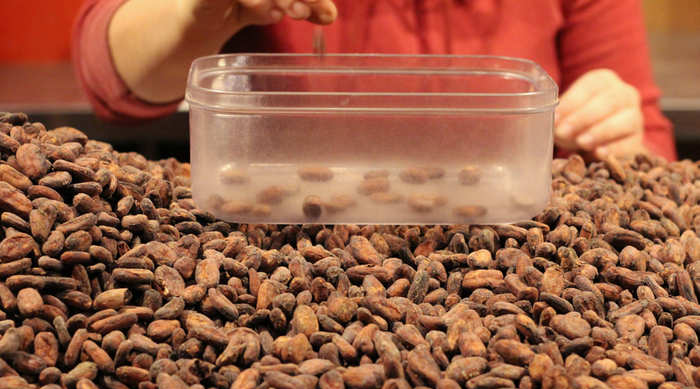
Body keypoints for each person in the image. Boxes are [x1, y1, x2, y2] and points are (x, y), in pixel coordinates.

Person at [73, 0, 676, 160]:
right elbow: (110, 75)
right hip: (283, 255)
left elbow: (647, 143)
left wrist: (615, 128)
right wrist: (191, 12)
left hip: (514, 265)